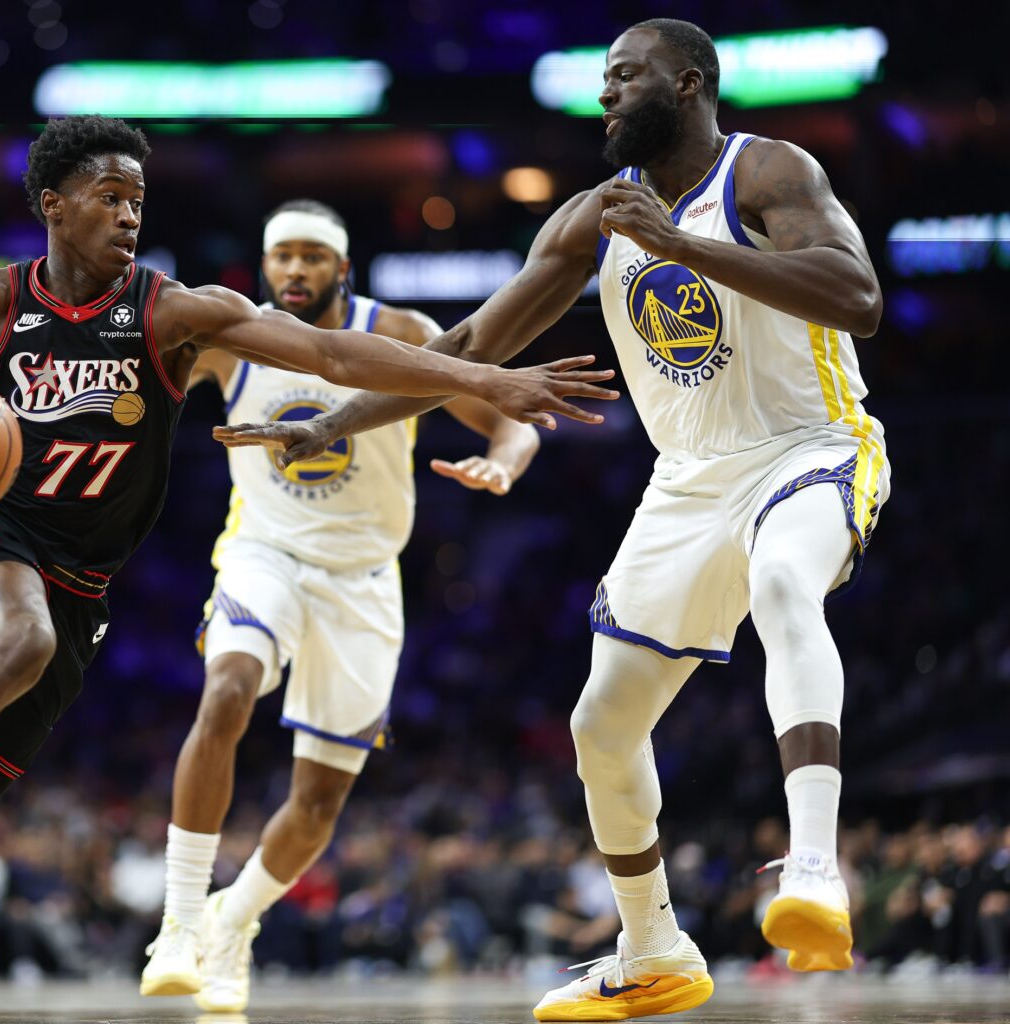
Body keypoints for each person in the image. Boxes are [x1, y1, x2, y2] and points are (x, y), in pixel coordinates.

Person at [0, 115, 616, 982]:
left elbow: (332, 356)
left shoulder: (175, 314)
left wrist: (484, 377)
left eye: (139, 200)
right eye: (108, 195)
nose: (130, 214)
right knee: (17, 642)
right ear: (53, 203)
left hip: (82, 583)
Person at [218, 19, 888, 1021]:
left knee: (786, 582)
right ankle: (654, 947)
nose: (608, 97)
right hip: (688, 482)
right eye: (603, 82)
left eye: (626, 78)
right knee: (600, 727)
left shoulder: (767, 173)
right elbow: (474, 340)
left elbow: (859, 295)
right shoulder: (590, 217)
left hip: (811, 445)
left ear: (689, 82)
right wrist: (342, 418)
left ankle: (817, 871)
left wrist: (681, 243)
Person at [140, 199, 540, 1012]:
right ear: (264, 267)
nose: (294, 271)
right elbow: (140, 389)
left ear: (342, 266)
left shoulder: (399, 330)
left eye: (310, 258)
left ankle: (233, 919)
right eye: (280, 257)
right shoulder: (230, 340)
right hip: (265, 555)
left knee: (318, 803)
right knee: (226, 691)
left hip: (363, 579)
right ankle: (179, 921)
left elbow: (509, 420)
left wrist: (504, 463)